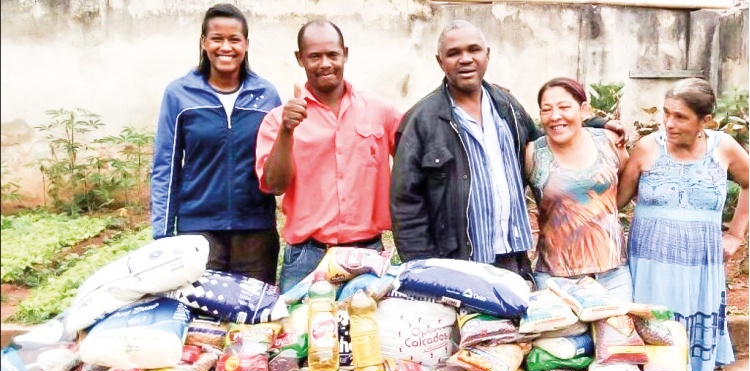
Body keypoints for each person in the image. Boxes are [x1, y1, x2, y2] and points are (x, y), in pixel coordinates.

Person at [390, 20, 618, 281]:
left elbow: (548, 141)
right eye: (454, 53)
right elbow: (406, 205)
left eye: (474, 49)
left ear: (487, 55)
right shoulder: (421, 121)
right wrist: (425, 274)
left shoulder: (507, 107)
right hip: (457, 264)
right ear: (440, 61)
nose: (465, 59)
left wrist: (596, 124)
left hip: (512, 261)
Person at [618, 78, 749, 371]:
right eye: (666, 114)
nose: (669, 123)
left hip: (700, 271)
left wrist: (735, 234)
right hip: (650, 269)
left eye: (680, 117)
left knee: (691, 354)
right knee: (650, 354)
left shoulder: (724, 148)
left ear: (706, 121)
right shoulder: (647, 148)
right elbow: (614, 202)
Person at [255, 20, 402, 293]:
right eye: (314, 56)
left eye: (332, 54)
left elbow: (418, 151)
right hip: (306, 258)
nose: (325, 63)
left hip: (367, 253)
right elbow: (274, 185)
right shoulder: (278, 120)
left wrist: (478, 92)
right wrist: (287, 131)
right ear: (300, 59)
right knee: (301, 334)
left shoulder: (380, 111)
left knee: (365, 333)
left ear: (344, 53)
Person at [150, 4, 281, 285]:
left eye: (234, 39)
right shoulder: (180, 95)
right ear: (203, 43)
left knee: (257, 321)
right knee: (201, 323)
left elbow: (280, 161)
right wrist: (162, 235)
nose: (226, 47)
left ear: (246, 44)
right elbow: (166, 167)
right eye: (217, 38)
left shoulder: (266, 96)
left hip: (256, 234)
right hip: (198, 233)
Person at [525, 77, 632, 301]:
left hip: (612, 274)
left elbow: (627, 183)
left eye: (564, 107)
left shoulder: (609, 142)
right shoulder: (533, 153)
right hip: (555, 277)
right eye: (546, 110)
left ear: (583, 110)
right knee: (558, 337)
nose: (555, 116)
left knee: (616, 336)